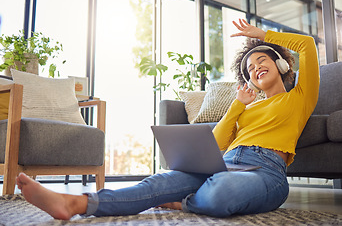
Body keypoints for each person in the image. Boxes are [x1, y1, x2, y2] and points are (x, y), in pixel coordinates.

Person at [16, 18, 319, 220]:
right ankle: (76, 204)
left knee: (223, 191)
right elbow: (217, 144)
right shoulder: (246, 108)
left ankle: (182, 202)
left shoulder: (299, 96)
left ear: (280, 64)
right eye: (249, 68)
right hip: (225, 163)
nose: (254, 69)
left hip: (267, 173)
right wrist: (237, 107)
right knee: (158, 182)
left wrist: (261, 37)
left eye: (261, 60)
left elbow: (306, 45)